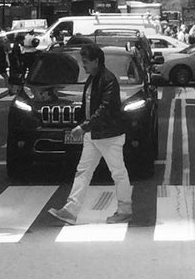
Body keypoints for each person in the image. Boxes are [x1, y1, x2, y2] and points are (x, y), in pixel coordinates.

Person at [48, 40, 133, 226]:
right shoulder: (94, 78)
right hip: (94, 134)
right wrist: (84, 126)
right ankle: (71, 210)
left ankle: (125, 209)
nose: (83, 65)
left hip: (109, 135)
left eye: (85, 61)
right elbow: (90, 106)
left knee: (117, 172)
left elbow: (105, 109)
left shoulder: (108, 79)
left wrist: (83, 126)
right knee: (84, 171)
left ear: (96, 61)